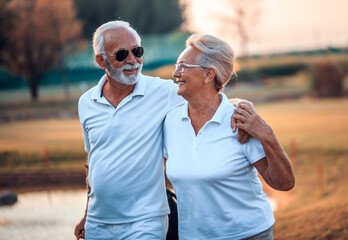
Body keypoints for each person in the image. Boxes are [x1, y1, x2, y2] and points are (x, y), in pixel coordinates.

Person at [74, 21, 250, 240]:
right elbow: (93, 164)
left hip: (145, 220)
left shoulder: (163, 92)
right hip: (98, 223)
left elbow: (208, 97)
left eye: (137, 51)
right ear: (101, 60)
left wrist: (242, 104)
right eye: (121, 55)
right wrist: (87, 214)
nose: (132, 60)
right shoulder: (86, 102)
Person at [163, 34, 295, 240]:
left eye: (183, 66)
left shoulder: (240, 120)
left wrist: (266, 135)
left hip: (248, 234)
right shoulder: (170, 121)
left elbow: (284, 183)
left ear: (208, 74)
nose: (175, 73)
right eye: (177, 66)